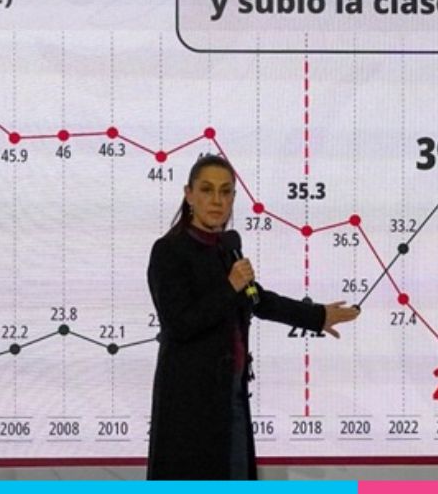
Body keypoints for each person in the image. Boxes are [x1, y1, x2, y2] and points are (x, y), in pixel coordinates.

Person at [146, 154, 360, 480]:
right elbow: (179, 324)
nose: (217, 200)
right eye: (207, 190)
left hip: (229, 395)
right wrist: (229, 285)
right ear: (189, 195)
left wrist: (318, 316)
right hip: (189, 403)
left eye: (225, 191)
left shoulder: (226, 248)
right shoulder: (169, 251)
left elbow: (258, 299)